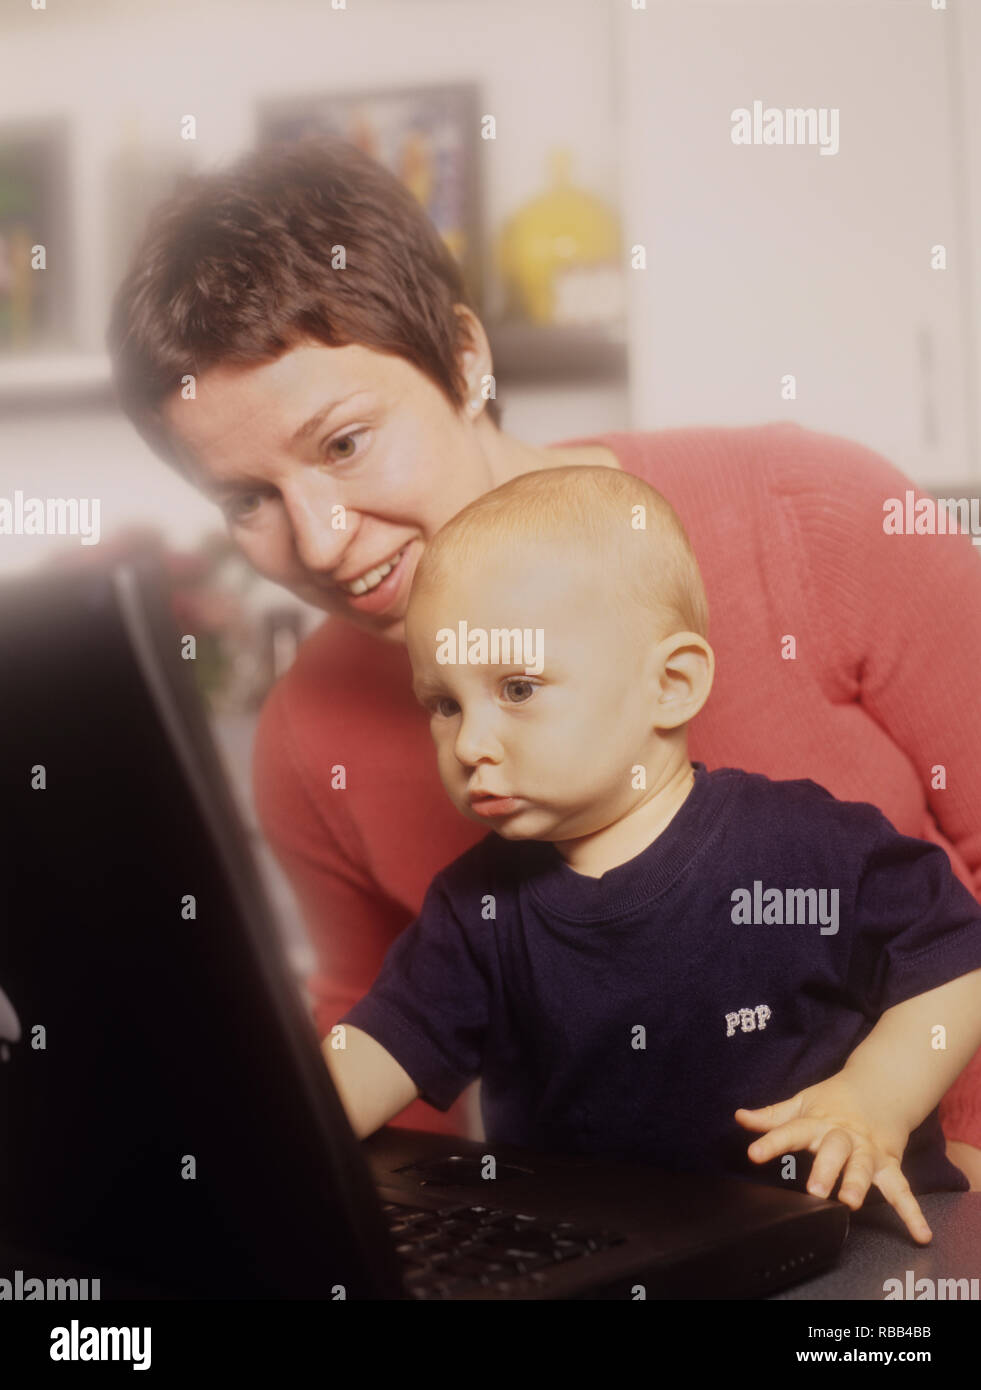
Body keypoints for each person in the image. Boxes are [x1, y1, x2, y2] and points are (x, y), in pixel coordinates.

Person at [104, 134, 981, 1183]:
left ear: (465, 357)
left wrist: (939, 1163)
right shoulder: (305, 738)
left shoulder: (818, 514)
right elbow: (378, 1020)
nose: (323, 539)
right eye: (246, 499)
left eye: (343, 443)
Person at [323, 464, 981, 1244]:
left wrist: (876, 1097)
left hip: (846, 1246)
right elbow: (368, 1059)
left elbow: (955, 960)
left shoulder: (804, 844)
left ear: (670, 684)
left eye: (519, 689)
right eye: (442, 703)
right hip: (611, 1263)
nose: (468, 743)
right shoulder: (474, 909)